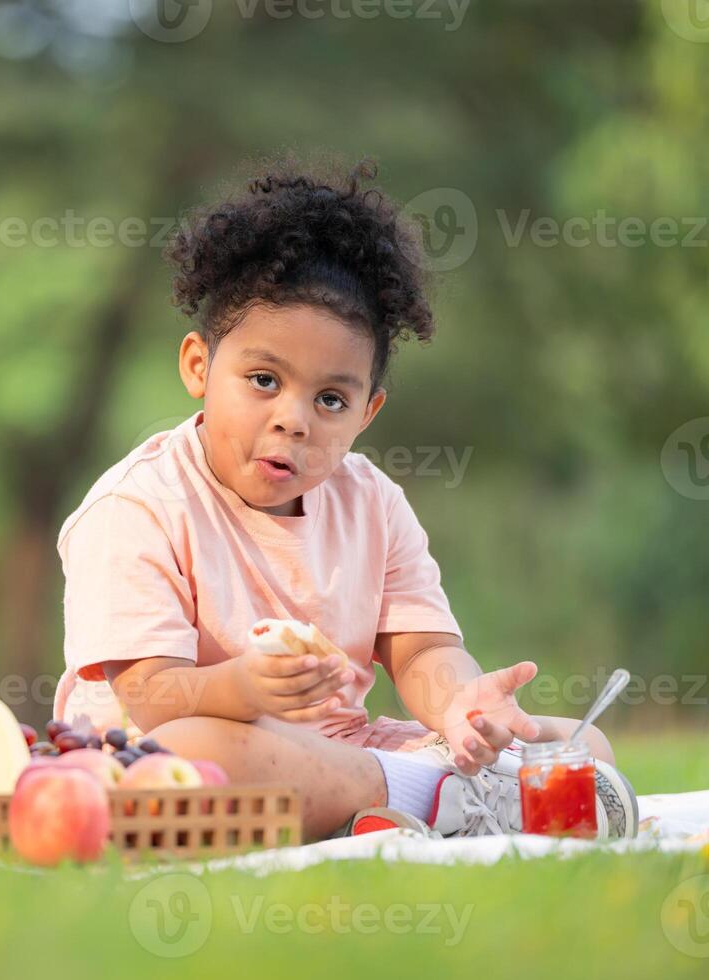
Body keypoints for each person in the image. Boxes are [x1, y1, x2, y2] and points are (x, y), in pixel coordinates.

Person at [52, 161, 636, 841]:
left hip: (343, 754)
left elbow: (420, 655)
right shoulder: (138, 507)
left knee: (577, 745)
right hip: (164, 756)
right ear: (198, 367)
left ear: (367, 412)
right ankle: (441, 800)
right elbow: (150, 696)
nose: (295, 419)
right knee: (198, 754)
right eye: (264, 380)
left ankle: (418, 798)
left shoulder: (372, 502)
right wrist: (244, 687)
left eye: (331, 399)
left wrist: (462, 708)